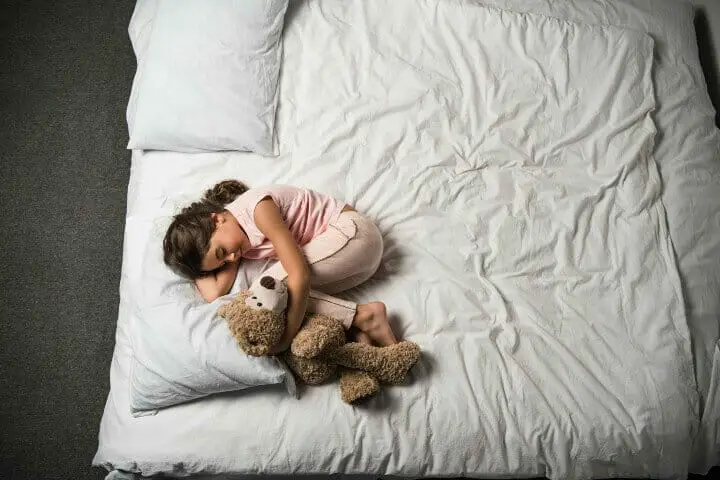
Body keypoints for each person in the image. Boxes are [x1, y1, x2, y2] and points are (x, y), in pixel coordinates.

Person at [163, 180, 398, 354]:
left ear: (217, 218)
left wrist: (286, 339)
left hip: (355, 235)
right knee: (281, 299)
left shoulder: (257, 209)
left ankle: (364, 316)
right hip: (354, 265)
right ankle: (359, 328)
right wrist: (196, 266)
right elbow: (215, 292)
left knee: (264, 289)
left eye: (223, 252)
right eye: (223, 263)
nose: (233, 259)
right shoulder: (234, 237)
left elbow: (299, 273)